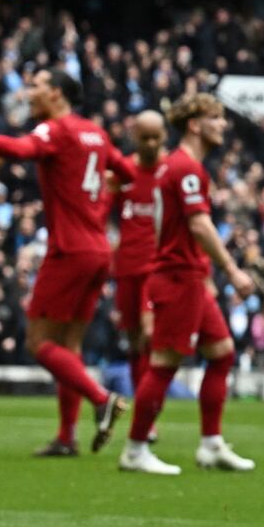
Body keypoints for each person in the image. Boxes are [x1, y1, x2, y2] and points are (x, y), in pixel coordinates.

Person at [0, 69, 133, 456]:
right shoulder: (96, 133)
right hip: (100, 250)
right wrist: (109, 195)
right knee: (69, 346)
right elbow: (129, 173)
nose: (29, 92)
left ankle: (101, 399)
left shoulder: (55, 129)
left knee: (39, 343)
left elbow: (21, 150)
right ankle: (67, 438)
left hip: (68, 251)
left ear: (56, 93)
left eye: (36, 85)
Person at [118, 93, 256, 476]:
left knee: (222, 352)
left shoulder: (175, 166)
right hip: (178, 277)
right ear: (195, 124)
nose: (223, 125)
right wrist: (232, 269)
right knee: (164, 364)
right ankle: (134, 448)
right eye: (216, 117)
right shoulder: (186, 168)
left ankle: (211, 444)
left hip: (190, 275)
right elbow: (198, 224)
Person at [109, 110, 166, 436]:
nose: (150, 143)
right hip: (126, 267)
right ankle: (143, 415)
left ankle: (148, 420)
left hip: (155, 268)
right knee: (133, 341)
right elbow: (103, 208)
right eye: (144, 137)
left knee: (149, 335)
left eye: (155, 137)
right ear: (134, 138)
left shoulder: (170, 171)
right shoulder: (124, 173)